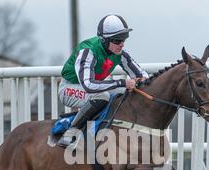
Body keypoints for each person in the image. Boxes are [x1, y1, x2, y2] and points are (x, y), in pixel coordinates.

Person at [57, 14, 149, 147]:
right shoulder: (87, 51)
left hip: (92, 88)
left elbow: (142, 74)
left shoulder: (120, 53)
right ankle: (70, 133)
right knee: (103, 95)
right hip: (69, 88)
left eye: (124, 39)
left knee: (127, 91)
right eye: (117, 40)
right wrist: (122, 82)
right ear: (105, 40)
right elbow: (88, 85)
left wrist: (140, 81)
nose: (122, 44)